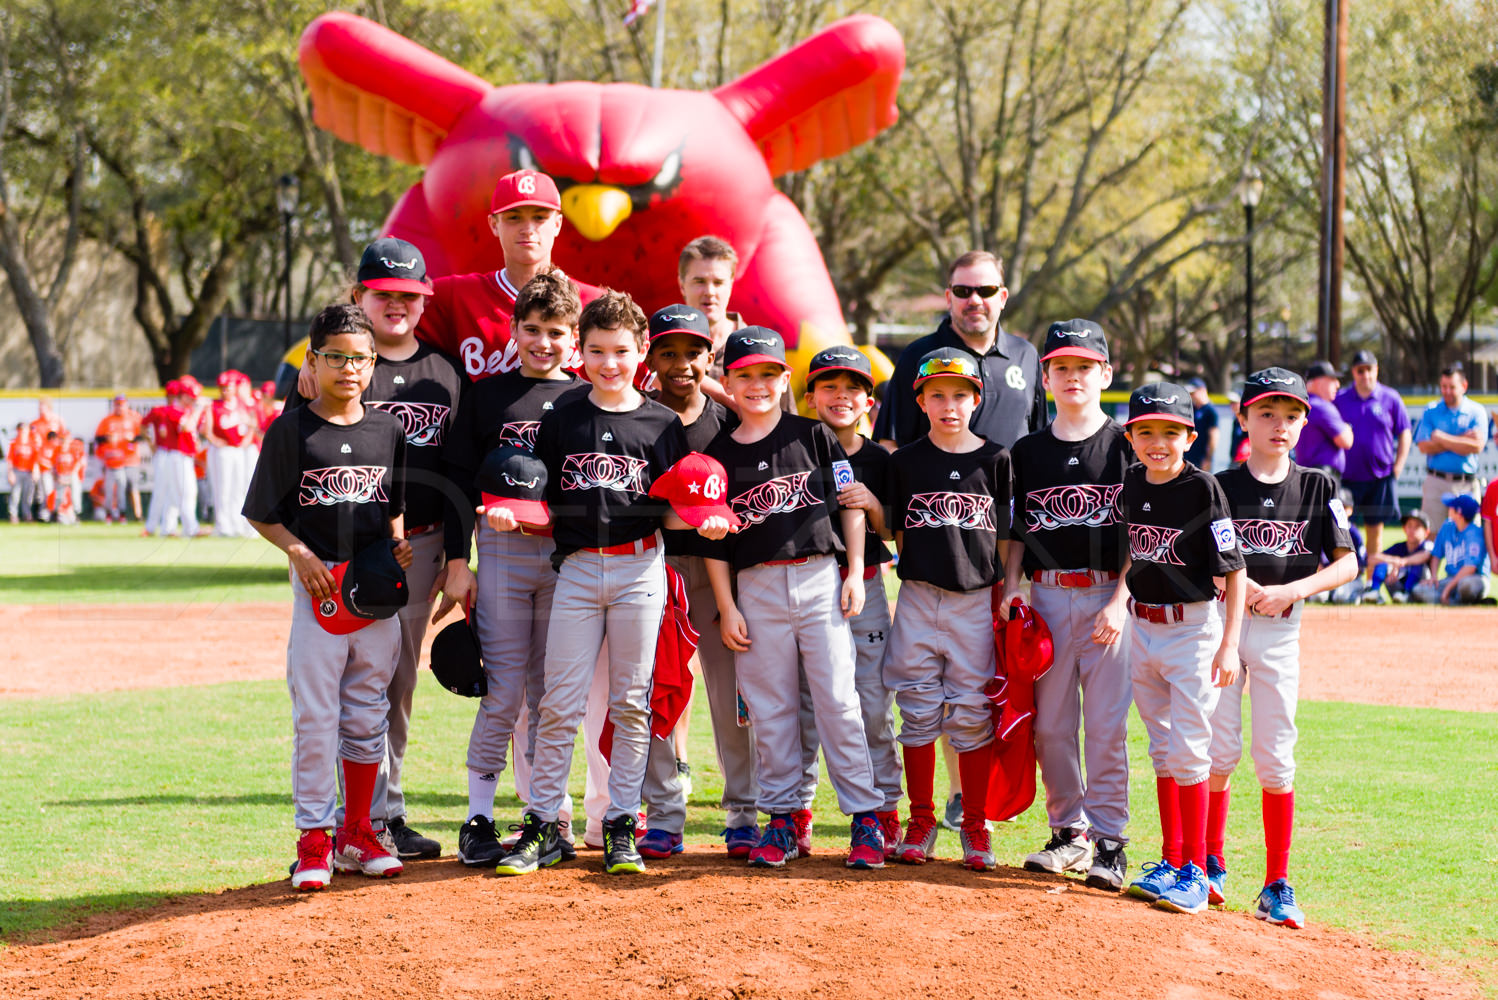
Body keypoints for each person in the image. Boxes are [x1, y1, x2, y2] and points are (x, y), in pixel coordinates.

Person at [493, 290, 691, 877]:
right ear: (580, 351)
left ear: (643, 353)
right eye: (598, 350)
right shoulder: (564, 418)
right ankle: (543, 824)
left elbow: (672, 510)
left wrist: (705, 518)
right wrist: (514, 513)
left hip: (639, 568)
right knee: (558, 702)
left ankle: (621, 823)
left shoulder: (661, 424)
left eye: (622, 351)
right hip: (578, 570)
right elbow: (543, 502)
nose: (610, 363)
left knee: (630, 703)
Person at [243, 303, 414, 891]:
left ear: (373, 366)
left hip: (372, 594)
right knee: (317, 717)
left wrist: (397, 550)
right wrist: (298, 551)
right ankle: (313, 836)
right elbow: (262, 513)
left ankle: (359, 832)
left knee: (368, 713)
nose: (348, 368)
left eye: (360, 359)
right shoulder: (292, 430)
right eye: (335, 356)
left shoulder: (388, 428)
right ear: (312, 361)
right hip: (320, 587)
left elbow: (393, 508)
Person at [702, 326, 887, 870]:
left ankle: (865, 818)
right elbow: (709, 541)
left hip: (818, 577)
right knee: (772, 708)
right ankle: (780, 820)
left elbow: (850, 507)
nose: (756, 385)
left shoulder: (814, 436)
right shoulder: (718, 455)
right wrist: (728, 605)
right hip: (754, 585)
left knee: (838, 700)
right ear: (728, 382)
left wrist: (854, 571)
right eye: (744, 375)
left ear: (785, 378)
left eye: (767, 373)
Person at [442, 271, 589, 868]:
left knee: (551, 695)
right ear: (513, 330)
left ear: (574, 337)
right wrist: (458, 561)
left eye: (556, 332)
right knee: (503, 692)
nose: (543, 342)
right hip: (501, 556)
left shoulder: (585, 399)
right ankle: (478, 817)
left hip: (564, 561)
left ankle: (546, 815)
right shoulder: (487, 397)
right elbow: (454, 482)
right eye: (532, 330)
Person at [1208, 367, 1358, 931]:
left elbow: (1347, 562)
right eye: (1266, 413)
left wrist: (1294, 589)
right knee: (1218, 751)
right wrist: (1230, 586)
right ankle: (1210, 863)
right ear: (1243, 418)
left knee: (1275, 757)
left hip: (1280, 630)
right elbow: (1201, 559)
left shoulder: (1318, 487)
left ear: (1304, 422)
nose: (1279, 425)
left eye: (1292, 415)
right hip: (1224, 628)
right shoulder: (1220, 486)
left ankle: (1276, 882)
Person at [1005, 320, 1134, 891]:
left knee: (1106, 726)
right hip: (1049, 594)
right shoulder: (1028, 452)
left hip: (1109, 593)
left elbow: (1144, 532)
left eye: (1085, 366)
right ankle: (1069, 834)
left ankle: (1111, 843)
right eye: (1062, 367)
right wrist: (1011, 583)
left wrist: (1121, 601)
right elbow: (1014, 527)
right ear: (1046, 377)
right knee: (1052, 728)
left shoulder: (1128, 446)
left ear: (1105, 373)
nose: (1073, 377)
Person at [1117, 382, 1246, 916]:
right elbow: (1133, 555)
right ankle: (1172, 861)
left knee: (1191, 749)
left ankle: (1196, 871)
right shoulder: (1130, 483)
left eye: (1170, 432)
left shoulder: (1204, 490)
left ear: (1190, 436)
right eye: (1145, 431)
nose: (1157, 442)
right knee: (1162, 749)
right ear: (1130, 436)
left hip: (1193, 629)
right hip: (1143, 626)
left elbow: (1234, 571)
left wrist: (1230, 646)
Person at [640, 303, 761, 856]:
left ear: (709, 357)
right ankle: (664, 814)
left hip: (719, 578)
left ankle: (742, 812)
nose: (681, 363)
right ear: (651, 357)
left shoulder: (730, 424)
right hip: (655, 570)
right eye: (668, 352)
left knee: (729, 697)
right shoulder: (639, 418)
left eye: (693, 353)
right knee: (657, 691)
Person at [885, 348, 1011, 872]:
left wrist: (1005, 593)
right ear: (920, 400)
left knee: (972, 712)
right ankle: (920, 819)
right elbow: (893, 530)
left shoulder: (996, 459)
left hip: (975, 601)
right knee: (916, 710)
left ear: (977, 398)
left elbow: (1006, 538)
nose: (949, 404)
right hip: (917, 595)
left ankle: (975, 824)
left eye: (960, 394)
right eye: (936, 394)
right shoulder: (906, 461)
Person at [803, 345, 903, 857]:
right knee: (803, 702)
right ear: (811, 395)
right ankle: (797, 812)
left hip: (864, 582)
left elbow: (898, 533)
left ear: (869, 399)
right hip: (808, 586)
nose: (841, 396)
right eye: (829, 386)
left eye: (852, 388)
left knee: (870, 701)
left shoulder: (879, 459)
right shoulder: (796, 446)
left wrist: (872, 505)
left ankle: (885, 807)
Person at [416, 170, 602, 381]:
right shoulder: (456, 296)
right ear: (494, 225)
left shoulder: (595, 303)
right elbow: (387, 312)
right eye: (514, 218)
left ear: (557, 224)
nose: (528, 229)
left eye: (539, 217)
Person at [875, 251, 1046, 451]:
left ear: (1003, 297)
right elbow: (889, 443)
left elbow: (1039, 438)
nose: (974, 300)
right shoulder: (918, 356)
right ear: (949, 297)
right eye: (963, 291)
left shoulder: (1025, 354)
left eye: (986, 290)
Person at [1334, 350, 1411, 570]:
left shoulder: (1391, 398)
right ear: (1353, 373)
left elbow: (1404, 432)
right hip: (1348, 478)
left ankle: (1370, 585)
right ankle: (1346, 583)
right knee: (1342, 531)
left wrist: (1398, 467)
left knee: (1375, 531)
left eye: (1369, 369)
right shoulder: (1341, 400)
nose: (1365, 375)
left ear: (1376, 370)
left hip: (1380, 477)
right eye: (1360, 370)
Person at [1414, 365, 1490, 529]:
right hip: (1436, 481)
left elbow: (1477, 446)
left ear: (1464, 386)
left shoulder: (1476, 411)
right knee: (1431, 534)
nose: (1447, 391)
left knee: (1468, 534)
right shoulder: (1431, 410)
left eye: (1452, 387)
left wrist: (1440, 437)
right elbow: (1424, 446)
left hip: (1465, 483)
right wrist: (1462, 440)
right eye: (1443, 386)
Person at [205, 372, 258, 537]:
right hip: (223, 451)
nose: (225, 391)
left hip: (239, 450)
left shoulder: (242, 405)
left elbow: (253, 424)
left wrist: (247, 440)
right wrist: (215, 440)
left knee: (240, 487)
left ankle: (239, 524)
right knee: (223, 488)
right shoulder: (214, 406)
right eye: (222, 388)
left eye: (228, 387)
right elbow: (206, 429)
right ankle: (223, 524)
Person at [1412, 493, 1490, 604]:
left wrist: (1447, 590)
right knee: (1419, 590)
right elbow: (1436, 555)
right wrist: (1433, 576)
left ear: (1459, 513)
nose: (1449, 508)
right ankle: (1456, 602)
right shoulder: (1447, 526)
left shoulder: (1474, 534)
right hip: (1451, 579)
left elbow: (1470, 569)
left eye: (1452, 507)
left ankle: (1452, 600)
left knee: (1466, 586)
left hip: (1474, 578)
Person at [1293, 361, 1353, 486]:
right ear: (1318, 382)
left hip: (1304, 475)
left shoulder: (1300, 404)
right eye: (1332, 379)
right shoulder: (1321, 406)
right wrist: (1347, 428)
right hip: (1323, 477)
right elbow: (1346, 441)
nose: (1337, 384)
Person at [1366, 510, 1434, 602]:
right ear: (1404, 528)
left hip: (1421, 588)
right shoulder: (1400, 547)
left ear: (1426, 532)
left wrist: (1401, 562)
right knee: (1382, 564)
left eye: (1417, 527)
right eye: (1409, 526)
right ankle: (1374, 591)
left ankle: (1405, 593)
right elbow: (1372, 559)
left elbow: (1425, 555)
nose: (1412, 530)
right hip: (1398, 590)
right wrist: (1394, 561)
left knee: (1418, 565)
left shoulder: (1427, 545)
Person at [96, 395, 142, 524]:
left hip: (130, 459)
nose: (119, 407)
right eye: (117, 404)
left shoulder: (134, 418)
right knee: (114, 489)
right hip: (113, 461)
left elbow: (141, 436)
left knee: (132, 487)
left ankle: (137, 515)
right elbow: (98, 439)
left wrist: (131, 438)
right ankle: (113, 514)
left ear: (126, 405)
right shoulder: (107, 421)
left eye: (122, 404)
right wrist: (108, 438)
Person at [1182, 378, 1220, 471]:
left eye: (1193, 393)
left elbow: (1213, 436)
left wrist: (1208, 458)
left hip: (1201, 459)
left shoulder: (1210, 411)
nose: (1191, 396)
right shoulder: (1192, 409)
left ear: (1202, 390)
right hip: (1188, 456)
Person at [7, 424, 37, 522]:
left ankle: (27, 515)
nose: (23, 432)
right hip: (17, 471)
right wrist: (10, 473)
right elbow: (10, 459)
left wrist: (35, 471)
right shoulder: (14, 443)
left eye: (25, 430)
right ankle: (13, 515)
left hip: (28, 472)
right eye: (21, 430)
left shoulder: (32, 443)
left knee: (27, 495)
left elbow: (35, 459)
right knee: (15, 494)